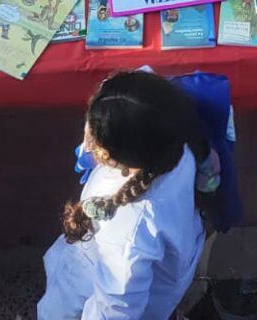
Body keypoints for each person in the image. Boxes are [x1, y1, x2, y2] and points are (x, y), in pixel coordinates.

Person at [36, 71, 207, 320]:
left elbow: (115, 309)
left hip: (88, 294)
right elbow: (141, 94)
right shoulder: (174, 141)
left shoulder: (129, 232)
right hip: (161, 274)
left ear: (105, 155)